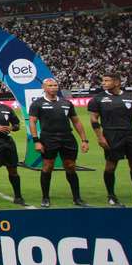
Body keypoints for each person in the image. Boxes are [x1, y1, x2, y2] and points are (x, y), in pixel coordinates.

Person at [88, 73, 132, 206]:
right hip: (111, 135)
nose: (103, 83)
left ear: (116, 82)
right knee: (110, 166)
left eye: (107, 80)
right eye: (103, 80)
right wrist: (100, 137)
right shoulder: (98, 99)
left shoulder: (130, 97)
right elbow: (93, 119)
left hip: (130, 134)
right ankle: (111, 196)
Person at [28, 78, 90, 208]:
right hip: (48, 138)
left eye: (55, 85)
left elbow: (76, 121)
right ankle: (45, 197)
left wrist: (84, 140)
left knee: (71, 166)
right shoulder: (37, 104)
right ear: (44, 88)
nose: (53, 87)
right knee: (47, 166)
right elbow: (32, 122)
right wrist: (36, 141)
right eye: (50, 85)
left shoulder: (66, 103)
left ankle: (77, 198)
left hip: (67, 137)